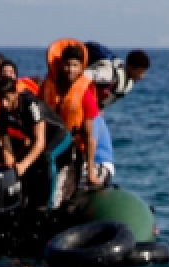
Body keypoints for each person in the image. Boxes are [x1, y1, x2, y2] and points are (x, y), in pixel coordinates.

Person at [0, 75, 74, 210]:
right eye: (0, 99)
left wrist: (23, 165)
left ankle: (49, 206)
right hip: (39, 141)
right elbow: (6, 145)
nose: (3, 103)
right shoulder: (3, 112)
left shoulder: (31, 105)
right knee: (16, 165)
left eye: (6, 98)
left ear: (15, 94)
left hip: (60, 138)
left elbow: (40, 142)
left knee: (47, 156)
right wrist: (11, 161)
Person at [40, 40, 105, 189]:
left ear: (82, 67)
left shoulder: (85, 94)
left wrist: (90, 173)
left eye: (75, 65)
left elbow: (89, 136)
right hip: (46, 148)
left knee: (60, 190)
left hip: (72, 151)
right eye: (67, 65)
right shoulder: (47, 87)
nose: (70, 69)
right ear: (61, 65)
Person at [84, 43, 150, 109]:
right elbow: (82, 76)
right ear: (130, 67)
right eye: (140, 72)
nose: (142, 77)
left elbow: (103, 103)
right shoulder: (109, 73)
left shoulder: (128, 82)